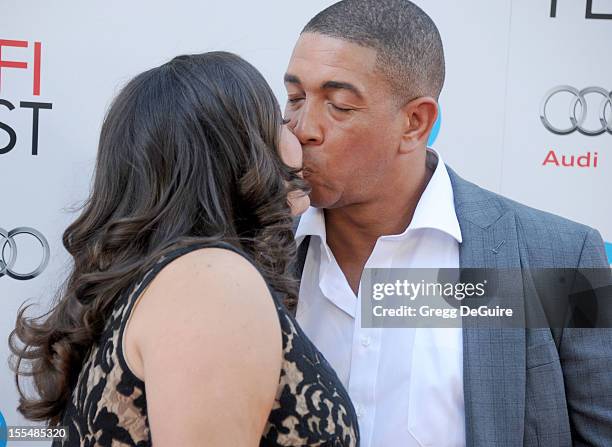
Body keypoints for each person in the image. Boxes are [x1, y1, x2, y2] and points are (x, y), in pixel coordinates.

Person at [284, 1, 612, 446]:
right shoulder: (253, 249)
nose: (303, 128)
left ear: (416, 123)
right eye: (296, 98)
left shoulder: (557, 257)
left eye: (339, 105)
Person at [10, 52, 359, 447]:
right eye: (279, 120)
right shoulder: (210, 283)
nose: (299, 133)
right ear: (237, 149)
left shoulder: (167, 281)